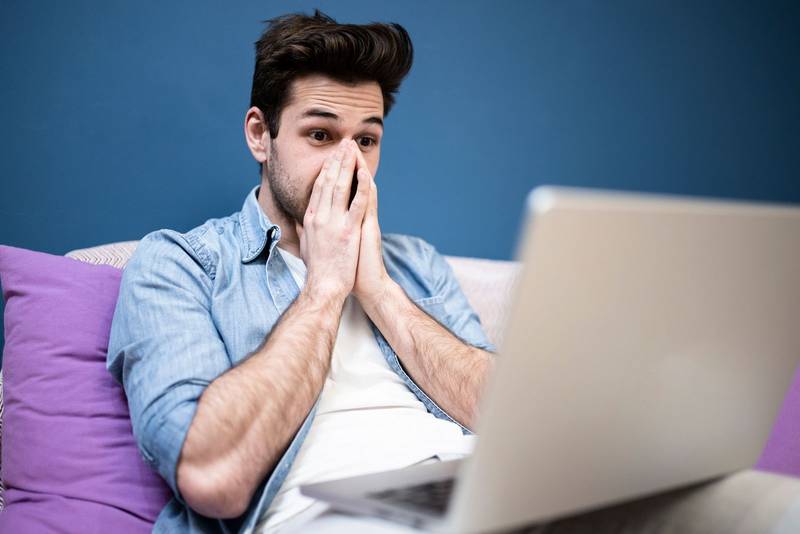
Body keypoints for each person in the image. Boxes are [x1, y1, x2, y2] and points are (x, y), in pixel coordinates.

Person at [107, 10, 496, 533]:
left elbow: (515, 423)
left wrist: (377, 288)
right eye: (320, 134)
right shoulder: (180, 266)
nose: (348, 165)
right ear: (259, 136)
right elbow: (212, 475)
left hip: (475, 492)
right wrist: (325, 288)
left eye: (365, 140)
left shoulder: (417, 264)